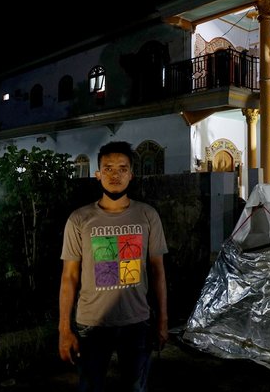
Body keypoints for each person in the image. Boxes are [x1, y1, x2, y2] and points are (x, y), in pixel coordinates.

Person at [58, 141, 169, 392]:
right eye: (108, 168)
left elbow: (158, 272)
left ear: (131, 174)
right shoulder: (79, 219)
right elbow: (69, 277)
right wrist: (64, 328)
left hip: (137, 322)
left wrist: (162, 320)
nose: (115, 175)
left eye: (122, 168)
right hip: (92, 324)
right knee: (91, 387)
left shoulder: (147, 215)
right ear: (97, 175)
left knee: (135, 387)